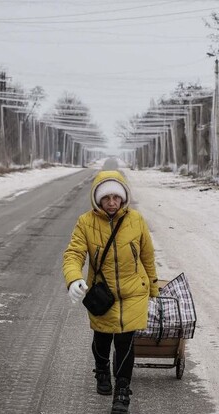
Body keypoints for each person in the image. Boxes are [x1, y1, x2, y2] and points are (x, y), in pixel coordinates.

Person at [63, 170, 159, 414]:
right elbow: (74, 254)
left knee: (125, 341)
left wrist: (154, 286)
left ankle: (123, 389)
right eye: (106, 198)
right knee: (103, 338)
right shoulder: (86, 222)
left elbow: (147, 255)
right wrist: (73, 279)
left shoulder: (136, 220)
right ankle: (102, 369)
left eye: (116, 197)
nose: (112, 202)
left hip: (133, 292)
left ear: (123, 198)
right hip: (102, 294)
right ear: (98, 200)